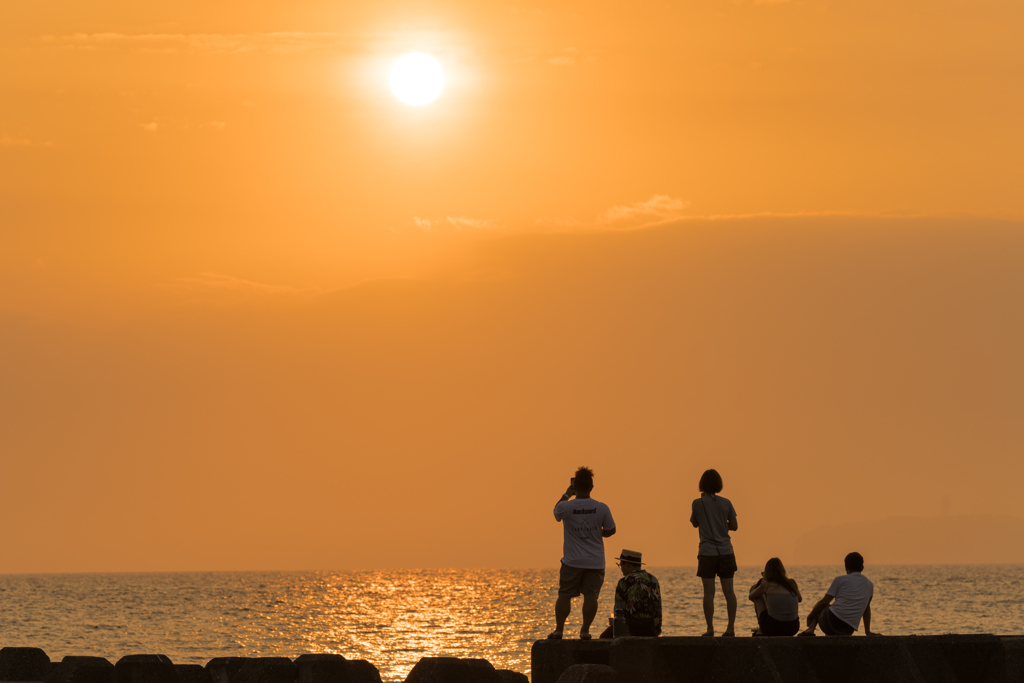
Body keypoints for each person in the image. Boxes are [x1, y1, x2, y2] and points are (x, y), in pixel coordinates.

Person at [549, 466, 616, 640]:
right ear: (592, 487)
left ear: (575, 486)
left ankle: (559, 630)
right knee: (591, 596)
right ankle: (585, 630)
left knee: (564, 595)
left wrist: (566, 494)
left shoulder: (566, 507)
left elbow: (556, 510)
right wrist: (596, 532)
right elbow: (611, 530)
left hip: (572, 560)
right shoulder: (601, 508)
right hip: (595, 561)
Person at [689, 468, 738, 637]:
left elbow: (694, 523)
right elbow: (734, 526)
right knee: (729, 592)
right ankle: (730, 628)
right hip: (726, 551)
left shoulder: (698, 503)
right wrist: (722, 524)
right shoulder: (726, 503)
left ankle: (710, 628)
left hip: (707, 552)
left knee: (708, 592)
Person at [799, 552, 881, 636]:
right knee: (830, 612)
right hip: (848, 631)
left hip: (830, 623)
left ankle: (811, 629)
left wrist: (810, 616)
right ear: (862, 568)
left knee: (819, 605)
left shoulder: (840, 580)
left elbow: (823, 603)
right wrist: (868, 632)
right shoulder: (870, 584)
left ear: (845, 567)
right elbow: (866, 609)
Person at [599, 549, 662, 638]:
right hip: (651, 630)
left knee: (603, 638)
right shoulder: (654, 580)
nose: (621, 568)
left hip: (629, 631)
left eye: (621, 565)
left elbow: (619, 612)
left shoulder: (623, 582)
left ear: (628, 564)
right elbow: (658, 609)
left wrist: (614, 622)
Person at [748, 557, 802, 636]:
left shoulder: (766, 584)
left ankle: (760, 630)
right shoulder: (792, 583)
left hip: (773, 628)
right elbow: (799, 599)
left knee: (756, 593)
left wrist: (760, 585)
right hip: (793, 628)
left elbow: (751, 596)